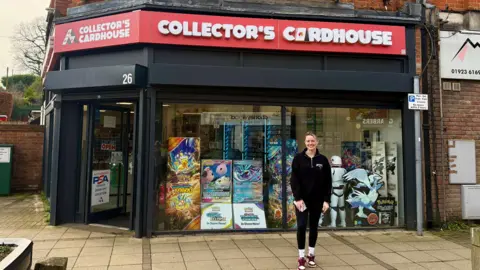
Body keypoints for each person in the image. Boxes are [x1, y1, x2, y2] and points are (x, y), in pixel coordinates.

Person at [291, 132, 332, 270]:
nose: (310, 143)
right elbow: (294, 180)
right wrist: (297, 198)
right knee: (301, 226)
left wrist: (326, 201)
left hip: (317, 200)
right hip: (302, 201)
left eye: (312, 141)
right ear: (305, 142)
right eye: (308, 141)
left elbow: (328, 182)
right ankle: (301, 257)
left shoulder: (323, 160)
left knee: (314, 227)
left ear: (317, 142)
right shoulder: (298, 159)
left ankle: (311, 255)